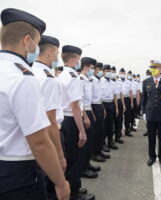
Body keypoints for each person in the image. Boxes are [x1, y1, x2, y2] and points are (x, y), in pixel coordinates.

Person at [0, 8, 70, 200]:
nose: (37, 49)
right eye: (37, 43)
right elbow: (39, 142)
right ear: (26, 41)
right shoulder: (22, 77)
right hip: (17, 172)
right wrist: (60, 182)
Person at [31, 35, 68, 199]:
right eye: (57, 53)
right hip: (49, 136)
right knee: (52, 181)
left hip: (32, 137)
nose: (58, 57)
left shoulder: (29, 71)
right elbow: (51, 120)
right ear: (51, 52)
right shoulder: (48, 78)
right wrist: (59, 156)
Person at [58, 45, 95, 200]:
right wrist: (81, 131)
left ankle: (73, 188)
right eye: (78, 59)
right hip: (72, 120)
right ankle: (73, 193)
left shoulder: (62, 75)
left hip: (64, 120)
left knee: (69, 156)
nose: (79, 62)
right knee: (75, 158)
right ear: (73, 59)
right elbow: (75, 106)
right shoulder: (73, 77)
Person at [79, 57, 100, 179]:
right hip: (84, 113)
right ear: (86, 67)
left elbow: (88, 101)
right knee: (85, 143)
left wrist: (91, 113)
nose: (93, 70)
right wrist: (86, 117)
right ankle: (83, 168)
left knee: (90, 141)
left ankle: (87, 164)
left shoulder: (87, 80)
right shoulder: (80, 79)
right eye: (92, 67)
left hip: (88, 110)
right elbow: (79, 101)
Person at [90, 62, 110, 162]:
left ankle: (99, 150)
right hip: (93, 107)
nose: (100, 71)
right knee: (96, 131)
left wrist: (103, 108)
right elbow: (88, 99)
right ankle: (95, 153)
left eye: (101, 70)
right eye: (98, 69)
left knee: (101, 131)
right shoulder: (91, 80)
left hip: (99, 106)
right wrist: (92, 112)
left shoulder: (97, 81)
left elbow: (99, 97)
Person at [100, 64, 119, 150]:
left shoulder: (113, 83)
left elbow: (115, 96)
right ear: (103, 72)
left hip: (111, 104)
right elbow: (99, 97)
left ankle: (110, 142)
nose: (108, 73)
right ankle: (103, 144)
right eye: (106, 71)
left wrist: (117, 108)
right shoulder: (100, 81)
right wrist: (102, 108)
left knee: (110, 124)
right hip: (103, 104)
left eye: (109, 71)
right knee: (103, 126)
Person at [111, 66, 126, 144]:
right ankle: (110, 140)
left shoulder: (118, 82)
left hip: (119, 101)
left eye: (114, 72)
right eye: (112, 72)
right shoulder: (107, 82)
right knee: (110, 122)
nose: (113, 73)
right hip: (111, 102)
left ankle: (118, 136)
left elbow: (121, 94)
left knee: (119, 120)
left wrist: (123, 105)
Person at [120, 68, 134, 137]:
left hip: (127, 99)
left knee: (127, 116)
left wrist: (131, 102)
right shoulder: (117, 81)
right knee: (119, 117)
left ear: (125, 74)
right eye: (121, 73)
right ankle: (119, 132)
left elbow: (131, 93)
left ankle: (127, 130)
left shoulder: (128, 82)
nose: (122, 74)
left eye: (123, 73)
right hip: (119, 100)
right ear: (119, 73)